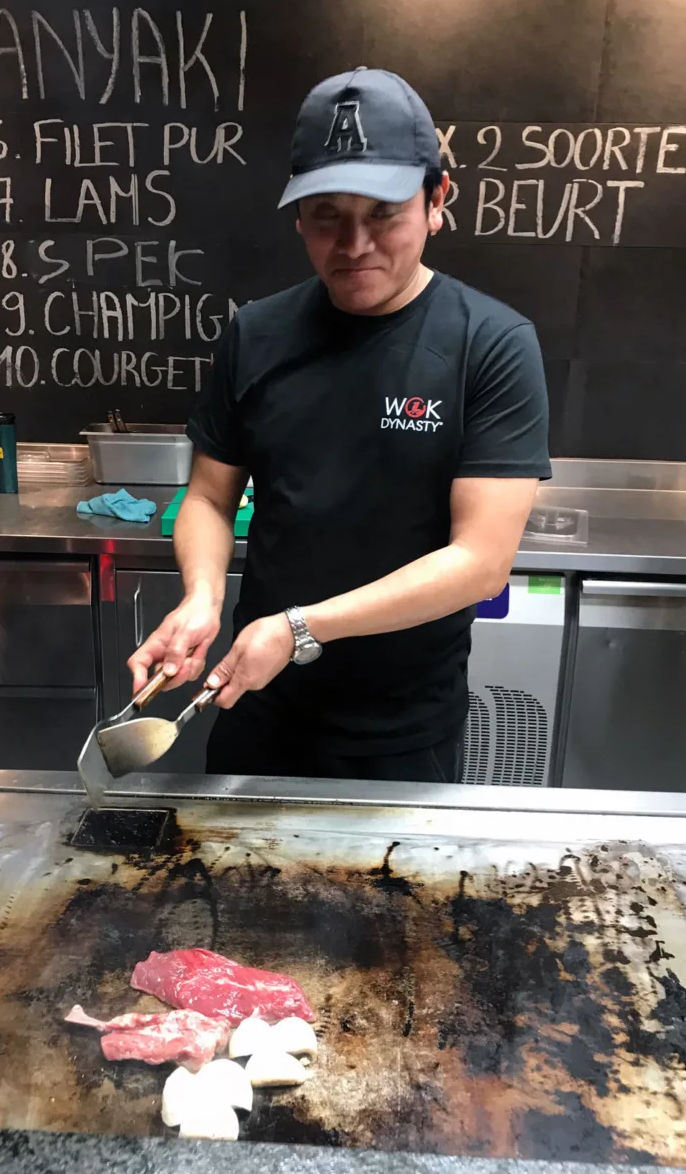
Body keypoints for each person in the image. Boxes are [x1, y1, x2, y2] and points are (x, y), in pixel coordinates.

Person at [128, 67, 551, 783]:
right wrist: (203, 597)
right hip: (254, 701)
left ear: (437, 200)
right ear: (299, 216)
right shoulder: (256, 335)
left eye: (383, 213)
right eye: (327, 215)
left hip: (401, 729)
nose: (354, 244)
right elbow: (208, 498)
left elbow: (481, 561)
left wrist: (301, 629)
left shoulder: (491, 344)